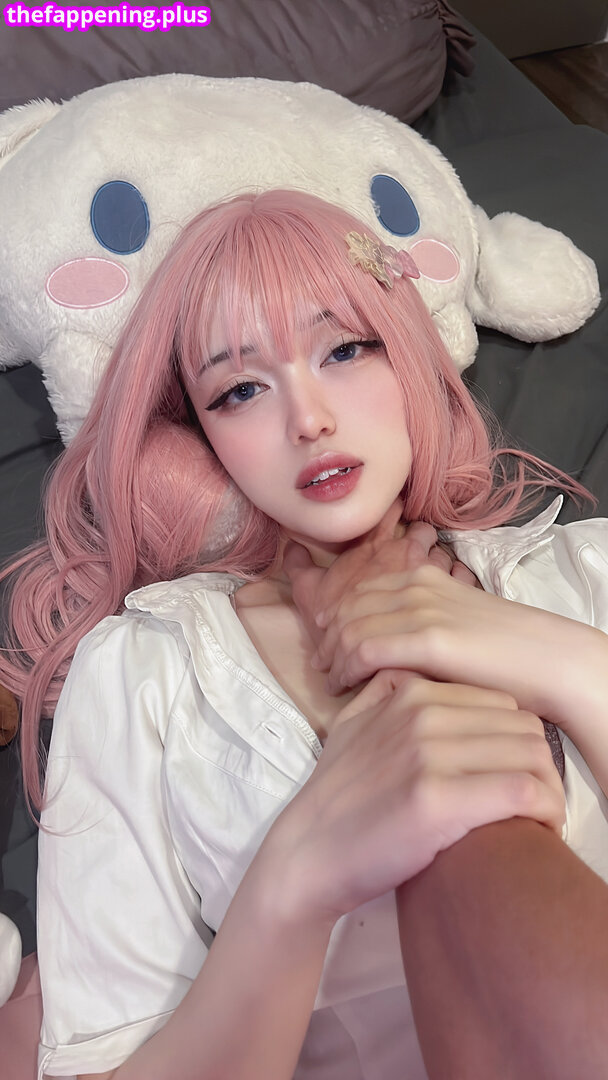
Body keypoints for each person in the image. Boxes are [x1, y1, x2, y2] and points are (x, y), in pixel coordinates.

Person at [1, 188, 607, 1080]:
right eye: (240, 390)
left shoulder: (585, 570)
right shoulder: (144, 671)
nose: (309, 419)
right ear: (199, 437)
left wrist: (558, 660)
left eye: (345, 349)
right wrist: (295, 877)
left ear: (406, 351)